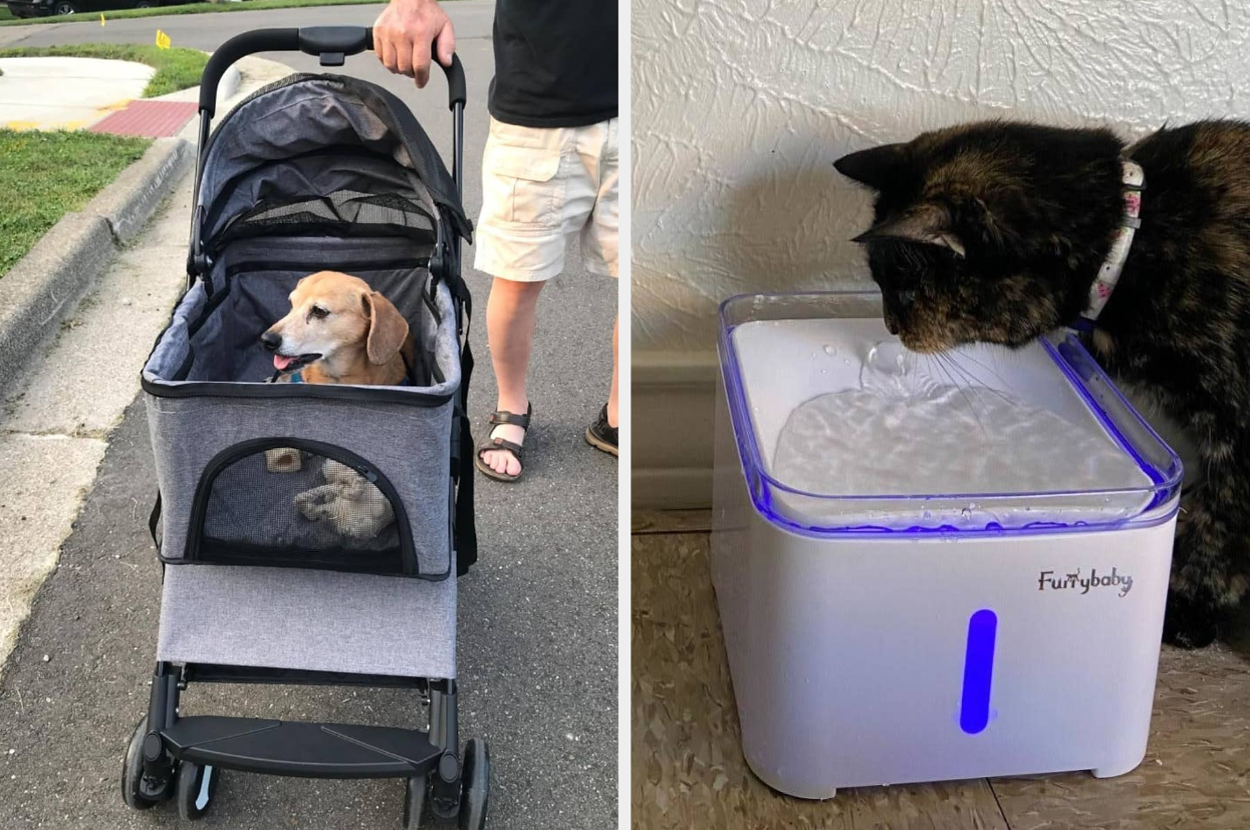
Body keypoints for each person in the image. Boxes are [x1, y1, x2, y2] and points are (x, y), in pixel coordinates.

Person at [374, 0, 619, 483]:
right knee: (518, 279)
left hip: (646, 99)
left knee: (638, 281)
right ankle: (511, 404)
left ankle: (618, 413)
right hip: (538, 113)